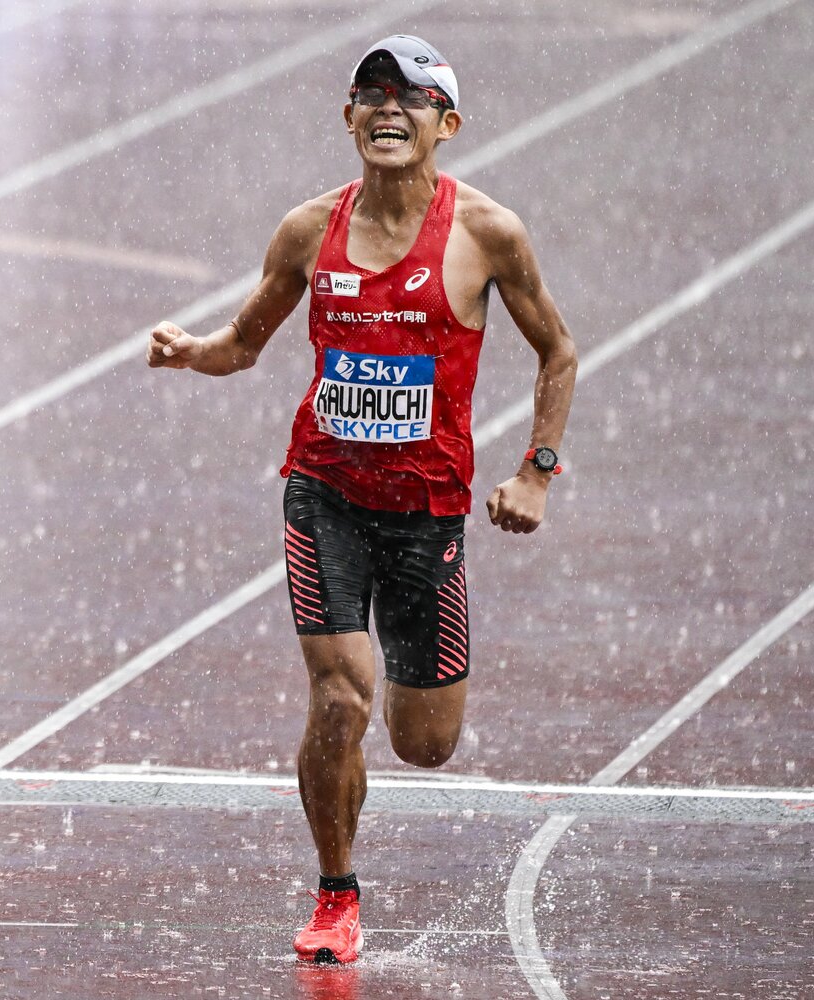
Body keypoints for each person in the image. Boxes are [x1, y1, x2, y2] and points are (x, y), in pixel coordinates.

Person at [146, 34, 576, 964]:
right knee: (339, 694)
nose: (390, 108)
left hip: (426, 514)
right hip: (325, 497)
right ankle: (336, 893)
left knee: (425, 744)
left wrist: (536, 471)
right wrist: (194, 351)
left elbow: (558, 352)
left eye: (412, 97)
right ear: (347, 118)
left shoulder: (488, 233)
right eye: (371, 94)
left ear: (446, 125)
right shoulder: (309, 230)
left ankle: (399, 707)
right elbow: (246, 341)